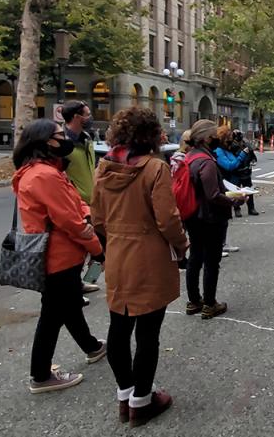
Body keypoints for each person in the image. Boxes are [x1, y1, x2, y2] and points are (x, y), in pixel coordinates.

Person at [92, 108, 189, 426]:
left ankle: (125, 395)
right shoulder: (155, 168)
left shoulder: (103, 169)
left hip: (118, 255)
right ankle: (142, 401)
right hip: (149, 256)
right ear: (150, 135)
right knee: (149, 333)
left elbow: (98, 219)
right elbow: (168, 219)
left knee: (118, 329)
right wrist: (182, 245)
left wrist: (113, 241)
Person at [11, 119, 107, 394]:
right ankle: (40, 375)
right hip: (58, 256)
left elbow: (75, 203)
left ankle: (92, 347)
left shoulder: (43, 171)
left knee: (68, 305)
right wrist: (97, 250)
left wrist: (85, 212)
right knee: (53, 314)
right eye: (58, 135)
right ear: (43, 141)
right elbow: (70, 221)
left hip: (59, 255)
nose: (64, 139)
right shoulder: (44, 175)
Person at [183, 120, 244, 318]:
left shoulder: (189, 157)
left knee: (195, 258)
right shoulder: (207, 161)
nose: (217, 137)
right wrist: (234, 201)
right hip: (210, 218)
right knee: (211, 261)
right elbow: (213, 194)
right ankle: (210, 303)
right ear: (207, 138)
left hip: (192, 215)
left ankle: (194, 301)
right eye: (214, 134)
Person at [59, 100, 102, 297]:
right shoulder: (62, 144)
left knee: (98, 245)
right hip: (75, 204)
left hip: (93, 201)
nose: (89, 118)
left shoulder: (86, 139)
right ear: (76, 117)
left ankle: (86, 281)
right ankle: (75, 288)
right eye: (86, 114)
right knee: (78, 248)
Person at [231, 130, 259, 216]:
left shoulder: (246, 144)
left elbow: (252, 155)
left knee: (248, 190)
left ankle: (251, 208)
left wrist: (253, 161)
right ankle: (237, 209)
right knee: (236, 191)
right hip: (236, 171)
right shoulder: (231, 146)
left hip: (246, 171)